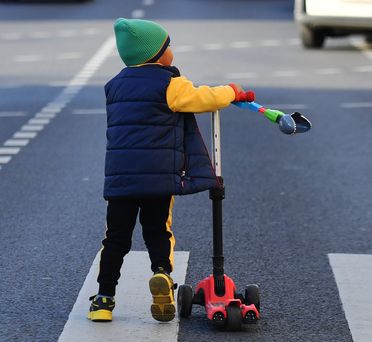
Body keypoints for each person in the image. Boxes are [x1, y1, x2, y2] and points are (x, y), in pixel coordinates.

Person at [88, 18, 254, 323]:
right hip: (159, 177)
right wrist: (231, 91)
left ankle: (103, 299)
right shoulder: (170, 84)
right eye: (168, 46)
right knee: (157, 230)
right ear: (155, 55)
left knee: (115, 239)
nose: (171, 51)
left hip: (120, 180)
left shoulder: (114, 85)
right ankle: (162, 274)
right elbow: (203, 99)